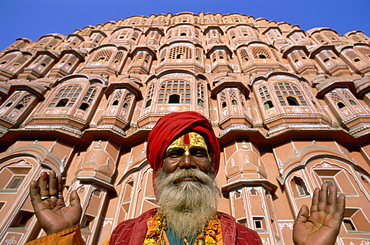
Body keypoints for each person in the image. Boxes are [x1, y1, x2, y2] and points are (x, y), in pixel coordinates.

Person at [27, 111, 346, 245]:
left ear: (212, 167)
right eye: (174, 154)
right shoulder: (129, 234)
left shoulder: (244, 239)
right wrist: (63, 234)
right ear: (157, 172)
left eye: (199, 153)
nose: (187, 162)